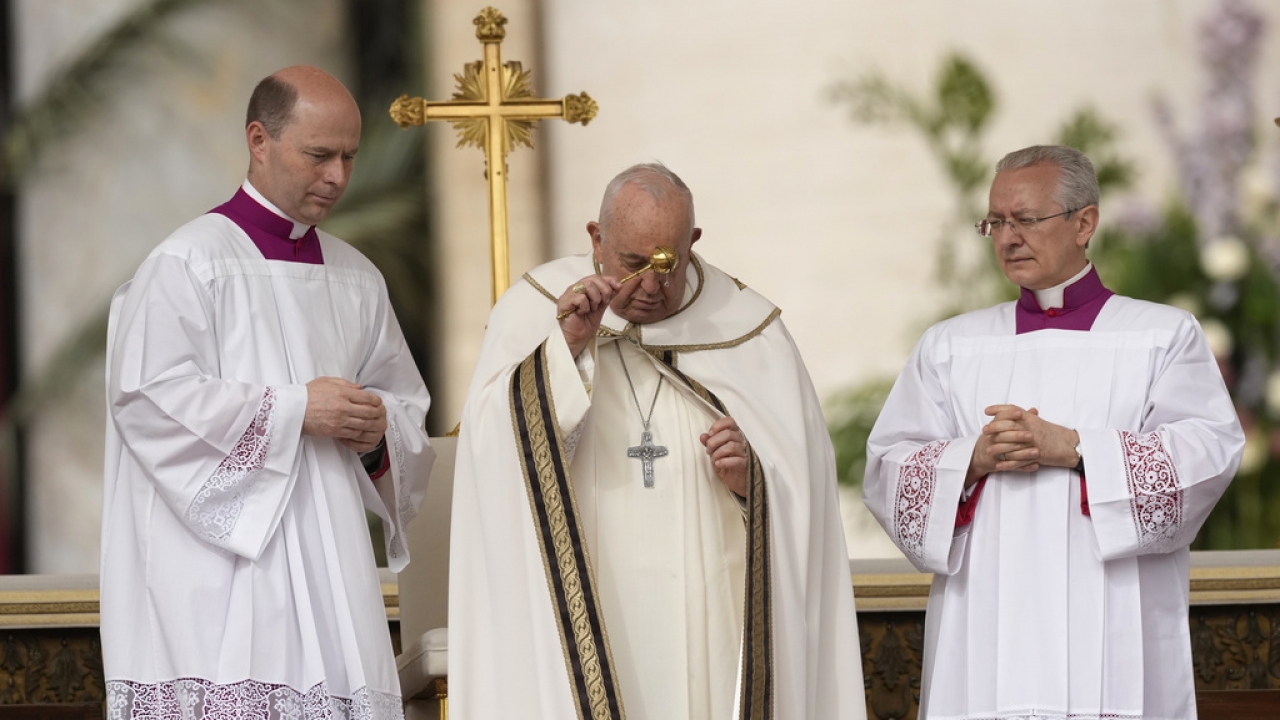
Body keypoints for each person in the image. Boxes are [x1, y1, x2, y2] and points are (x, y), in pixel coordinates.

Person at [448, 163, 864, 719]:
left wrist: (753, 482)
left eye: (668, 264)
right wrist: (565, 348)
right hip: (587, 603)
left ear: (693, 243)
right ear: (596, 239)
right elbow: (489, 454)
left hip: (711, 616)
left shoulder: (749, 332)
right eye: (632, 264)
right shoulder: (533, 312)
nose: (650, 286)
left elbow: (805, 492)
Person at [864, 145, 1244, 720]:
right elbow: (888, 467)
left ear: (1084, 222)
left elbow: (1207, 454)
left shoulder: (1161, 336)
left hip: (1113, 624)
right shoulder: (951, 347)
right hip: (987, 623)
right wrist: (971, 459)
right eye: (995, 222)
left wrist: (1077, 449)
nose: (1007, 238)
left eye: (1025, 220)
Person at [100, 66, 434, 719]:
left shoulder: (357, 279)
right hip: (223, 578)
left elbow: (407, 410)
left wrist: (377, 432)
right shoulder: (188, 263)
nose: (338, 176)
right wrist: (295, 409)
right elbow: (147, 399)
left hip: (334, 571)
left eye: (349, 157)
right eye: (319, 155)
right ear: (259, 140)